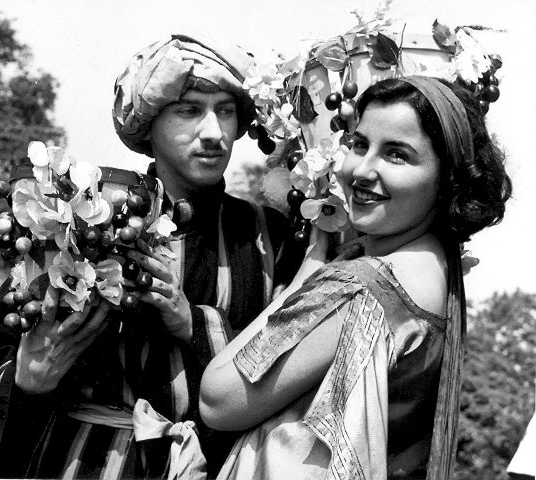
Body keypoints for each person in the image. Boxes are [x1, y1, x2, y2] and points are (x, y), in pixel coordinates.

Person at [0, 33, 301, 479]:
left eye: (227, 111)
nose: (215, 133)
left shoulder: (266, 237)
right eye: (189, 109)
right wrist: (28, 383)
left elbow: (293, 366)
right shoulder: (84, 222)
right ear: (147, 126)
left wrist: (193, 323)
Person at [199, 76, 512, 479]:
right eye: (361, 145)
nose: (362, 170)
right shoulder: (438, 272)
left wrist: (304, 280)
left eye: (397, 155)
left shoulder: (366, 286)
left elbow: (218, 401)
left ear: (448, 179)